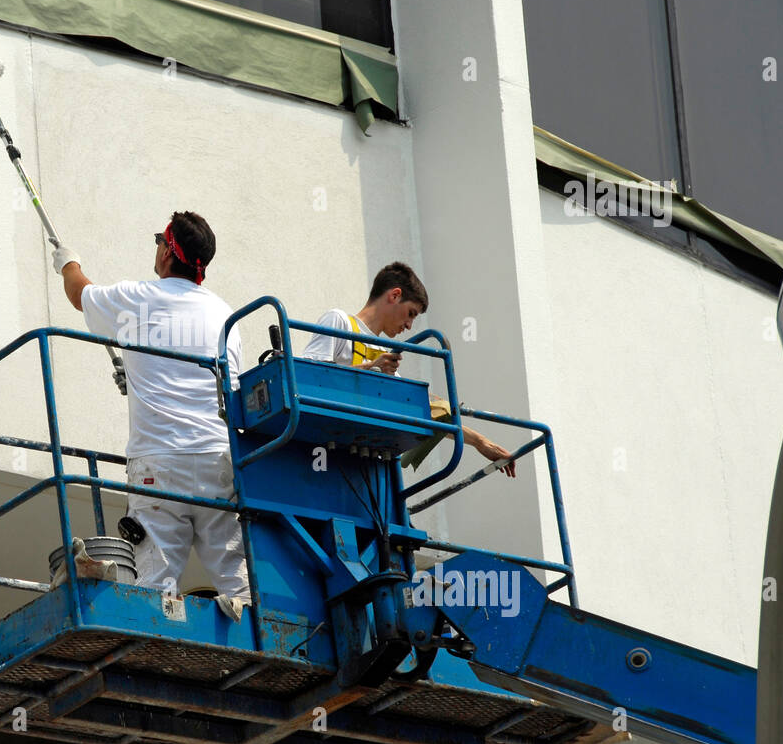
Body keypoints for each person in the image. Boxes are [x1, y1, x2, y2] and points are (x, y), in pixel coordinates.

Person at [51, 211, 251, 619]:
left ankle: (162, 628)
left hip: (159, 465)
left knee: (154, 579)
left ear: (166, 253)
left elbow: (79, 294)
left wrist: (67, 262)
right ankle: (252, 624)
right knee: (236, 575)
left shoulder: (138, 299)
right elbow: (223, 388)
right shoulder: (225, 317)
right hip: (218, 461)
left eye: (159, 239)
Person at [301, 262, 517, 476]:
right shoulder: (340, 321)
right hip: (321, 450)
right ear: (395, 295)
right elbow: (310, 377)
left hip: (360, 461)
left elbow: (419, 409)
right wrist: (372, 368)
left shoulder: (385, 353)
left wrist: (480, 442)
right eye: (411, 313)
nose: (409, 326)